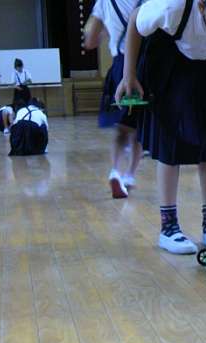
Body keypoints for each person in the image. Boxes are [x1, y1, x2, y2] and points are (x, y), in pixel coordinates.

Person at [116, 0, 206, 255]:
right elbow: (136, 18)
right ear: (203, 7)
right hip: (169, 63)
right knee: (170, 147)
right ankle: (168, 227)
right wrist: (129, 75)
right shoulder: (174, 7)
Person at [85, 0, 143, 199]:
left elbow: (90, 41)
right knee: (139, 128)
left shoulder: (104, 2)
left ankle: (116, 171)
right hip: (145, 65)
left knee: (122, 128)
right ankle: (130, 175)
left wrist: (107, 32)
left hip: (120, 66)